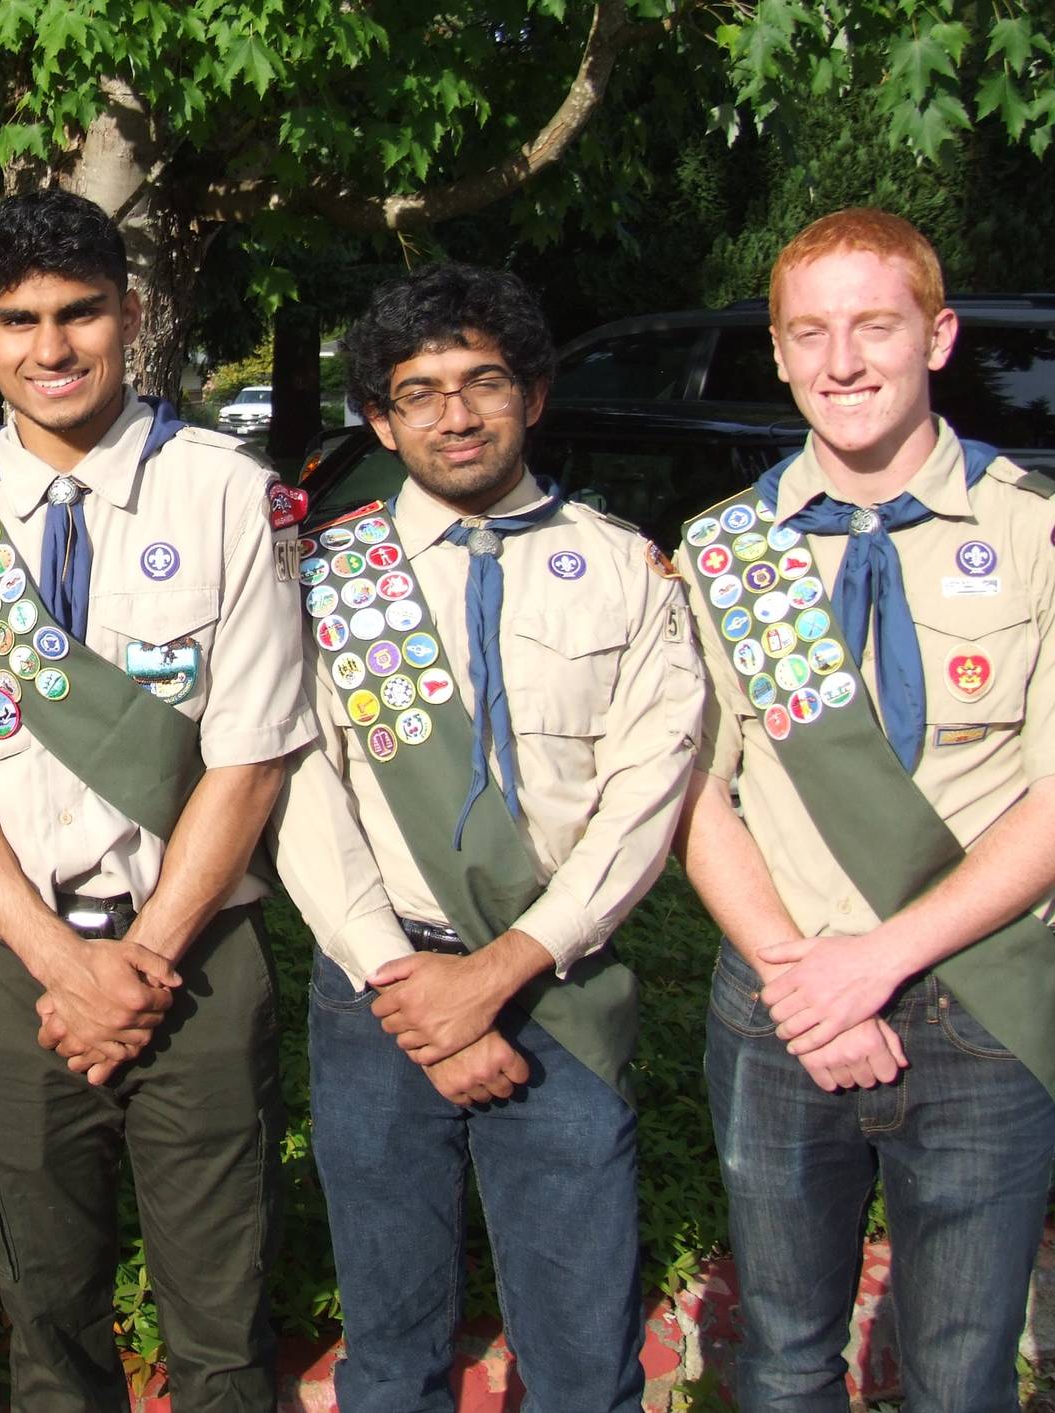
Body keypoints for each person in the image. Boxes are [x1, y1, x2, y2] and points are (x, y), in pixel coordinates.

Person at [0, 187, 314, 1411]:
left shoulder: (228, 494)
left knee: (223, 1327)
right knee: (48, 1319)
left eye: (79, 314)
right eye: (17, 320)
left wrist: (141, 961)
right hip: (14, 968)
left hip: (198, 958)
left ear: (130, 314)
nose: (50, 348)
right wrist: (63, 969)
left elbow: (252, 753)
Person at [267, 263, 704, 1411]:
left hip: (556, 982)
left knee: (577, 1352)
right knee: (392, 1345)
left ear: (534, 395)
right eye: (417, 392)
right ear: (378, 418)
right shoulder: (327, 582)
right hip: (378, 995)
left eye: (482, 383)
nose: (454, 416)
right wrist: (407, 986)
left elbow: (644, 794)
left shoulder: (625, 572)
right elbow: (304, 789)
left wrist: (503, 969)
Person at [673, 208, 1055, 1410]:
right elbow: (690, 796)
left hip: (979, 1003)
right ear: (778, 354)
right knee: (782, 1363)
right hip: (777, 1007)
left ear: (935, 337)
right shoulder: (721, 553)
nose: (841, 362)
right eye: (809, 333)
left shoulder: (1036, 532)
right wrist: (805, 980)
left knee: (959, 1375)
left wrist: (872, 964)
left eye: (873, 326)